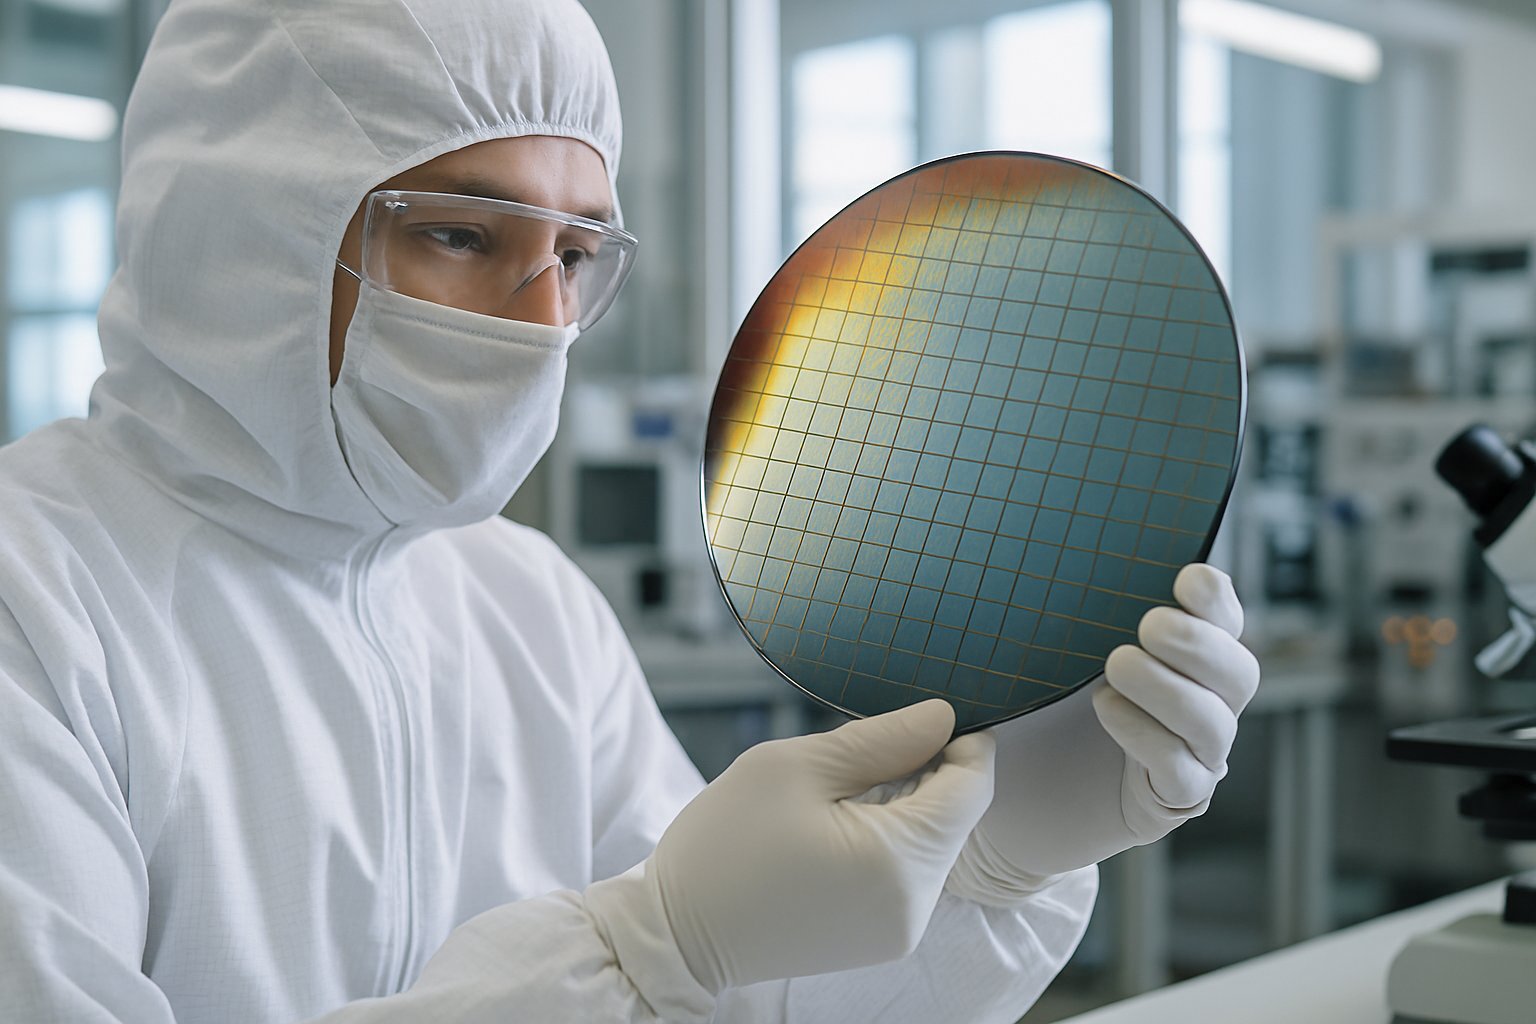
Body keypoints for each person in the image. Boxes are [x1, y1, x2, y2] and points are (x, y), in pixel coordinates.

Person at [0, 0, 1260, 1020]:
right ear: (242, 235)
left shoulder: (524, 601)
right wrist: (640, 943)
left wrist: (992, 864)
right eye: (456, 233)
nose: (545, 318)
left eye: (577, 254)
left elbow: (747, 999)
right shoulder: (37, 594)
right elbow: (667, 956)